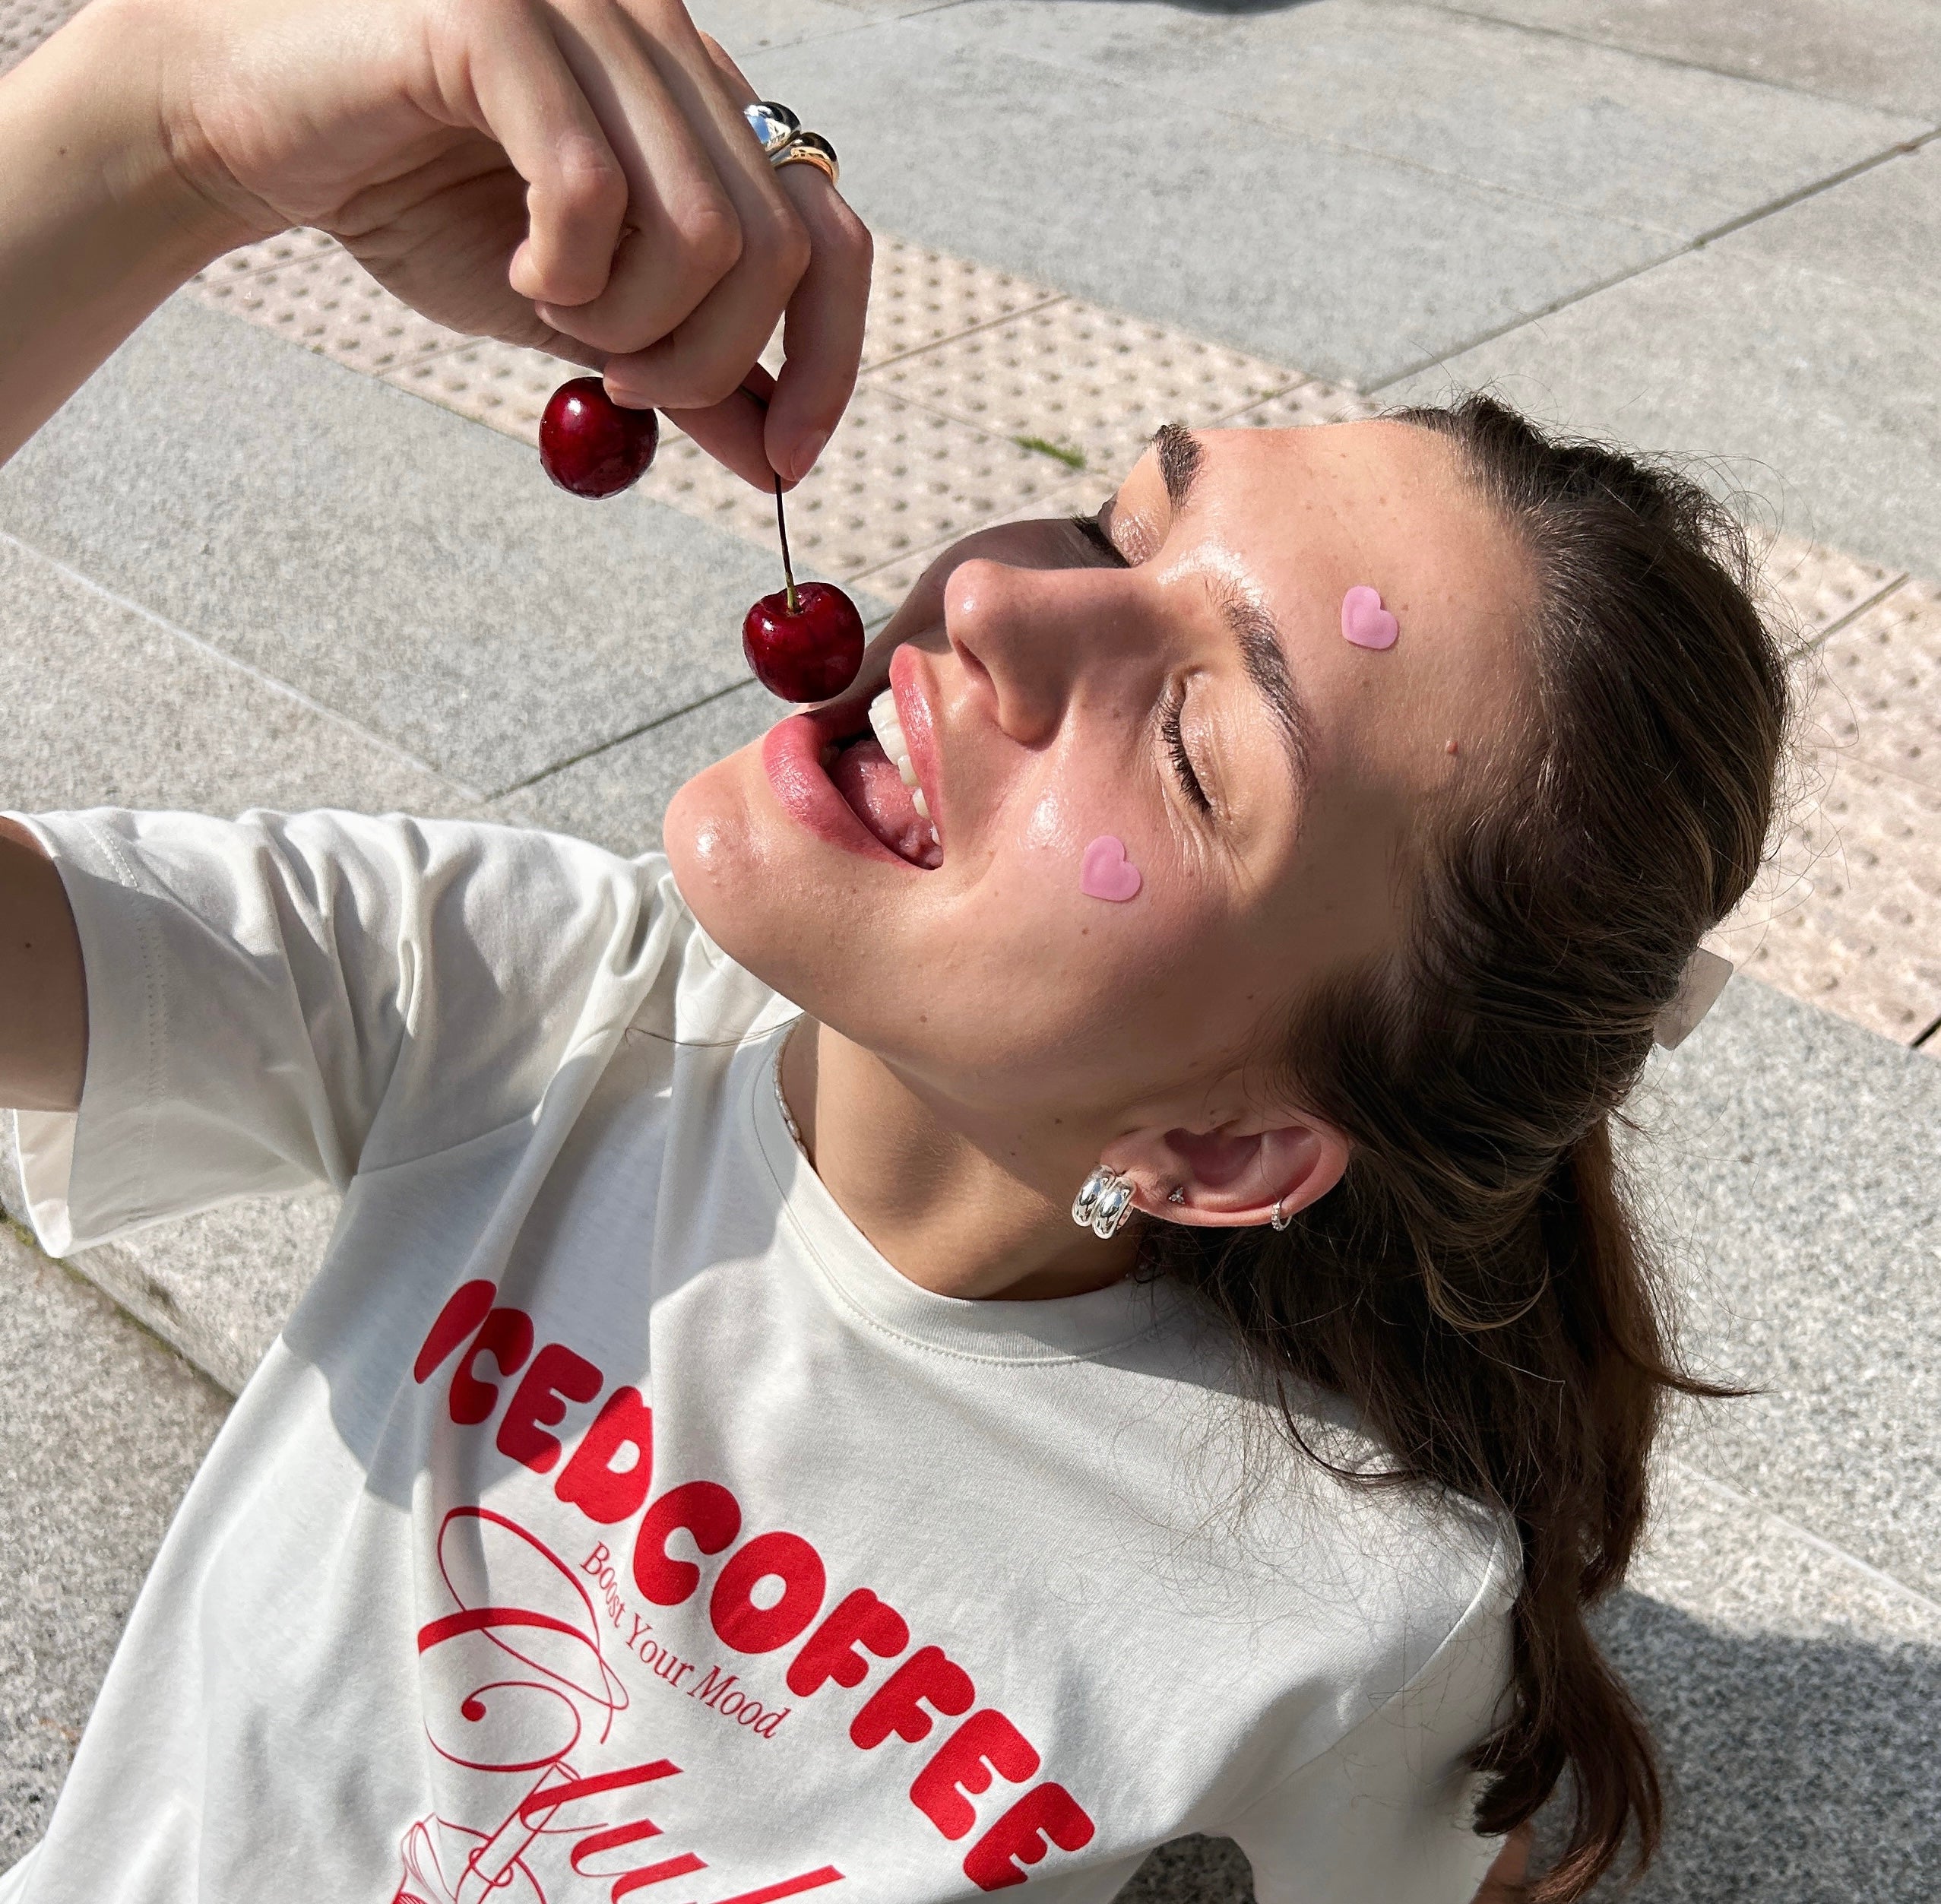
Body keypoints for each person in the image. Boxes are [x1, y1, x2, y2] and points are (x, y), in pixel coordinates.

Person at [0, 1, 1791, 1899]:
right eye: (1119, 517)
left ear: (1227, 1151)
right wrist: (160, 128)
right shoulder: (513, 1006)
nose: (1001, 593)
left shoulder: (1359, 1608)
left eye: (1196, 747)